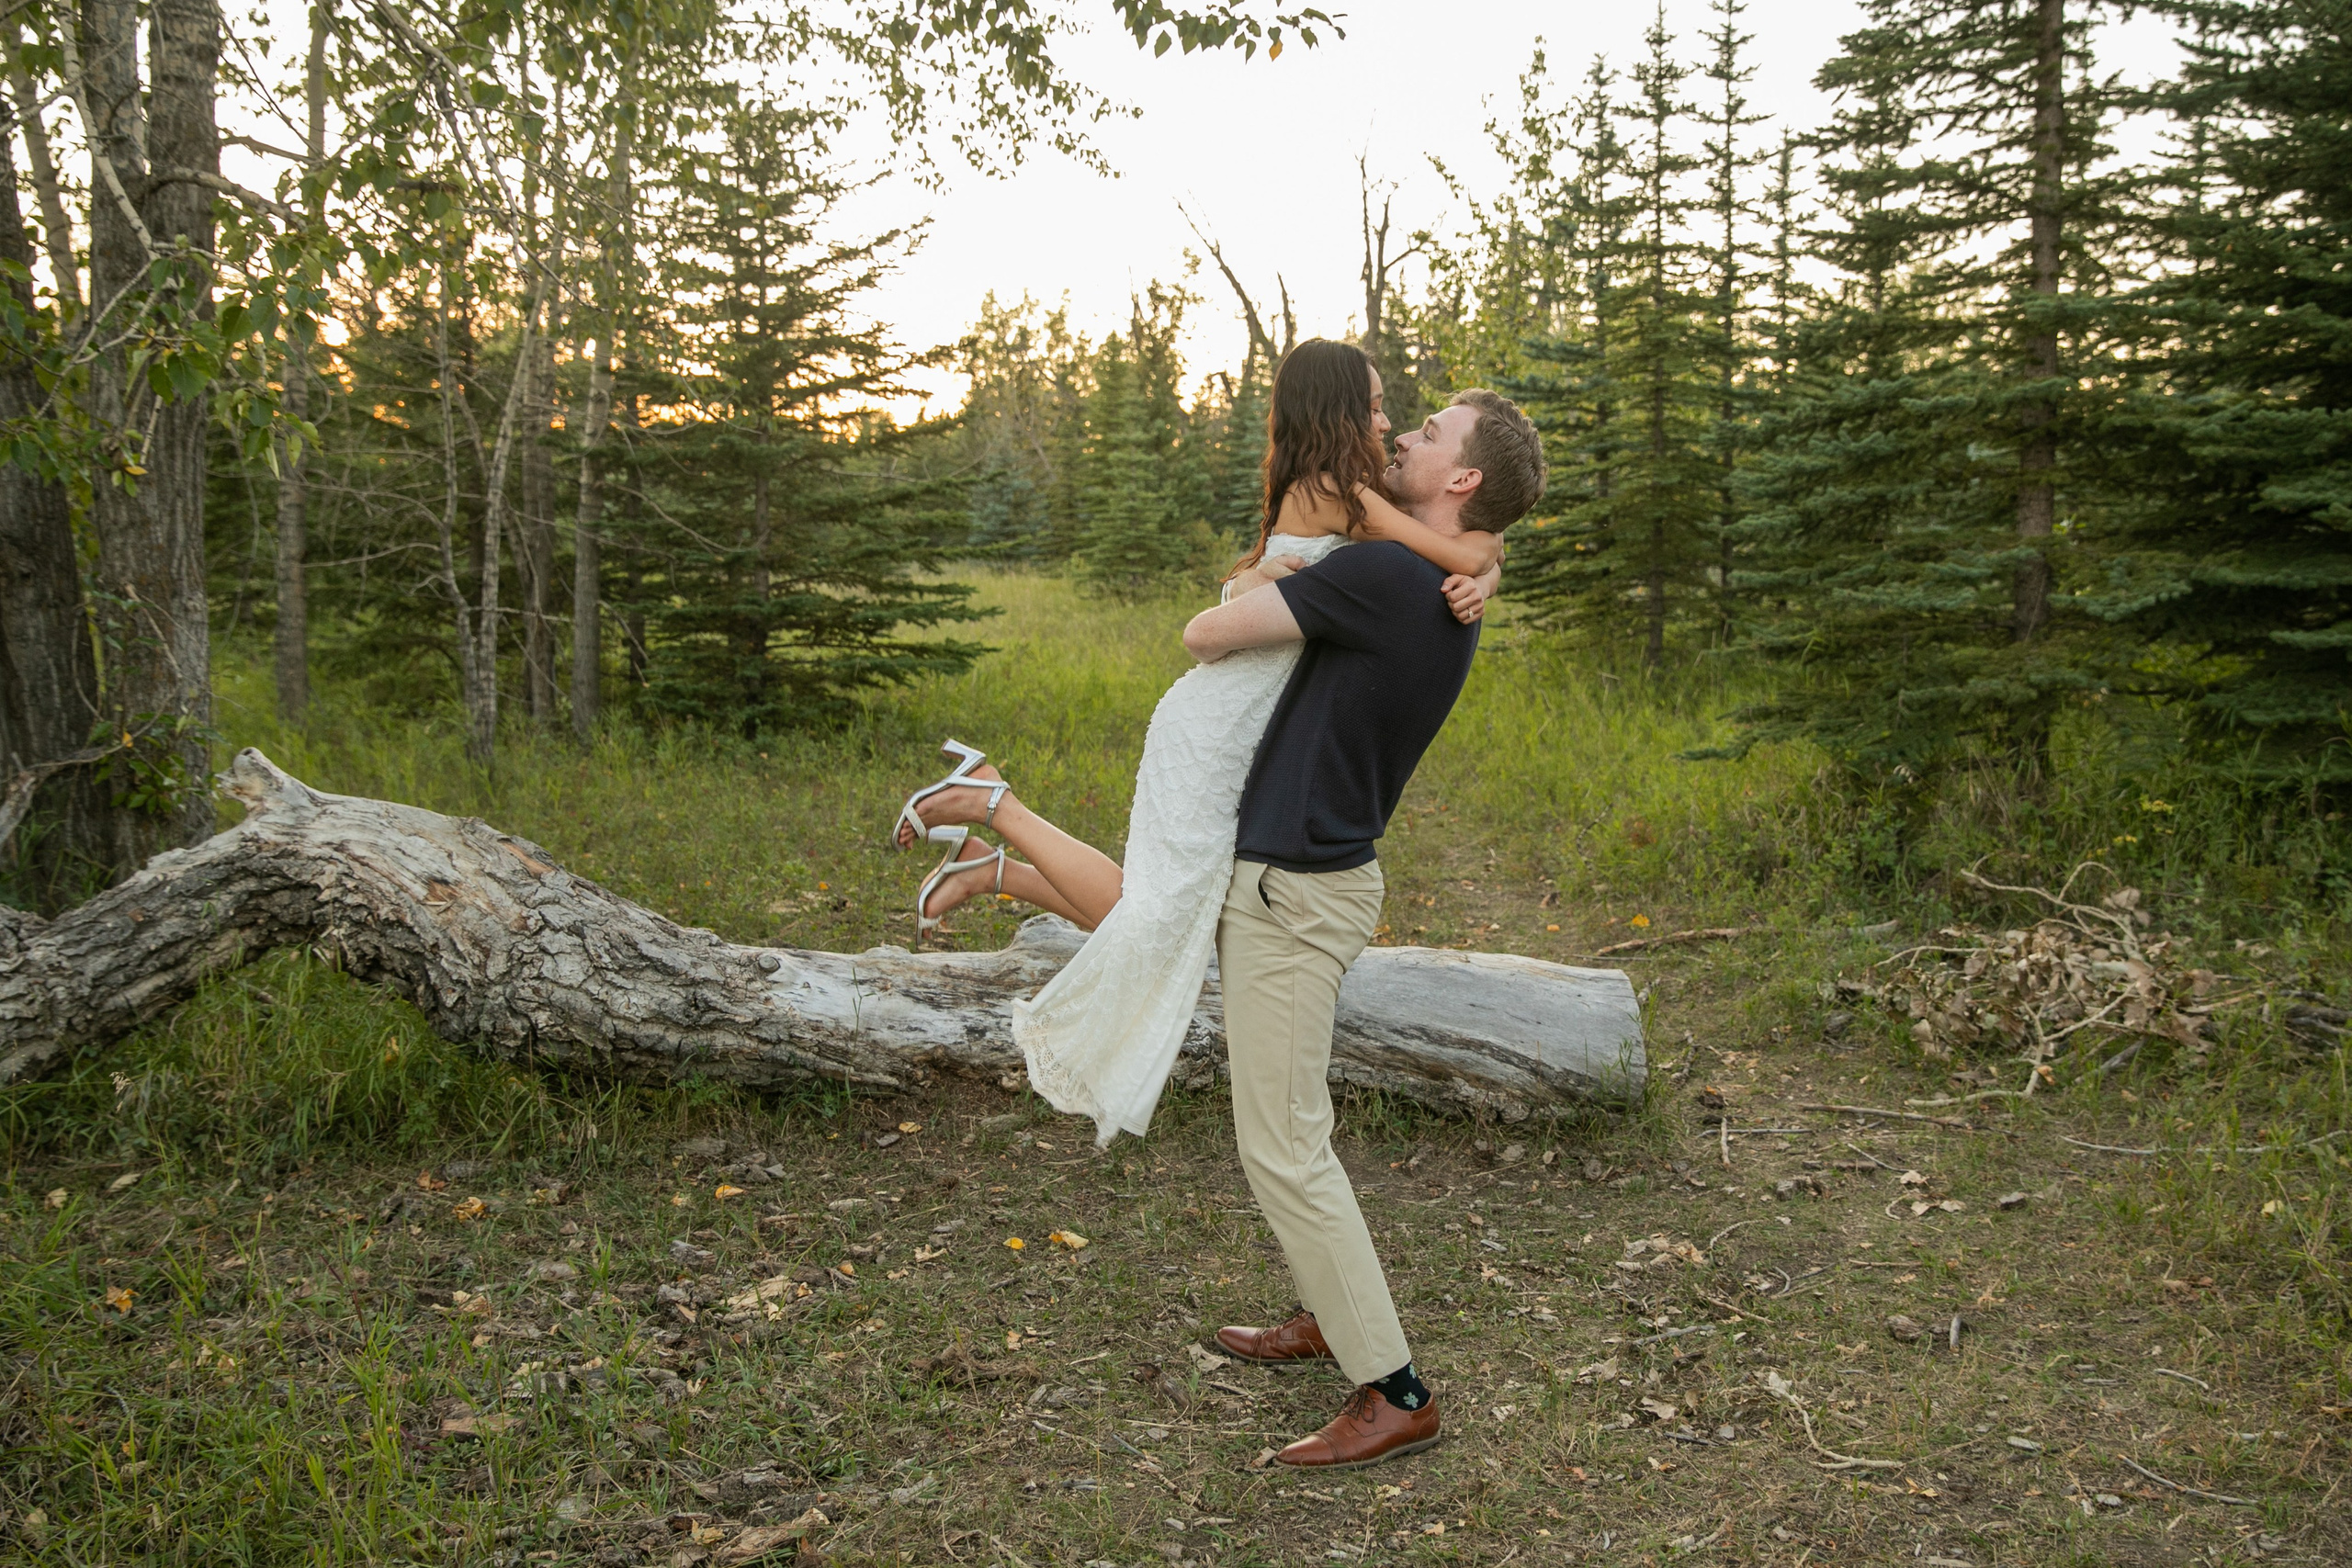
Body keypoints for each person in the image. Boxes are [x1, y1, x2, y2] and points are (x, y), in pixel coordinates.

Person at [891, 358, 1551, 1471]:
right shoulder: (1424, 576)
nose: (1405, 433)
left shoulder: (1386, 577)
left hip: (1297, 893)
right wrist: (1484, 557)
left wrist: (1442, 560)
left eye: (1431, 431)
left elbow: (1213, 634)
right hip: (1301, 877)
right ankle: (1329, 1313)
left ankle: (1395, 1392)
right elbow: (1432, 551)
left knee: (1283, 1146)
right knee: (1283, 1121)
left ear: (1463, 479)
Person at [894, 341, 1498, 1155]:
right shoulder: (1345, 494)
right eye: (1376, 406)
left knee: (1170, 912)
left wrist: (1487, 570)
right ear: (1338, 412)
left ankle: (989, 858)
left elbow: (1457, 546)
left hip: (1241, 722)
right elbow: (1456, 548)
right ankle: (992, 806)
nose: (1388, 423)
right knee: (1157, 916)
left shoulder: (1325, 485)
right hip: (1222, 727)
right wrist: (1481, 568)